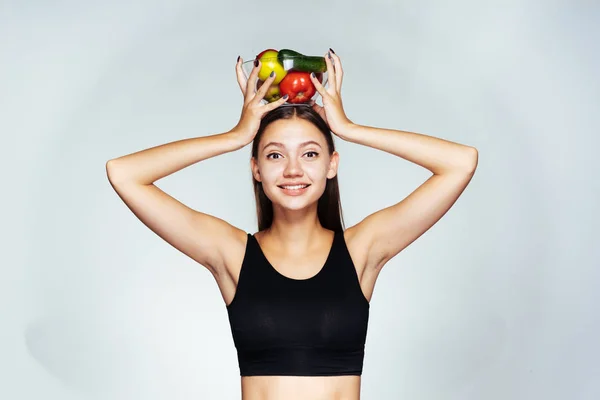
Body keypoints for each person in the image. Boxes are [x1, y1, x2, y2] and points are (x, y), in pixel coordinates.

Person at [106, 49, 478, 400]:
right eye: (274, 155)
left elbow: (460, 162)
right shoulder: (232, 254)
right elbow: (124, 174)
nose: (293, 170)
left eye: (311, 154)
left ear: (332, 164)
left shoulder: (362, 250)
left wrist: (349, 128)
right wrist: (235, 137)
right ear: (256, 169)